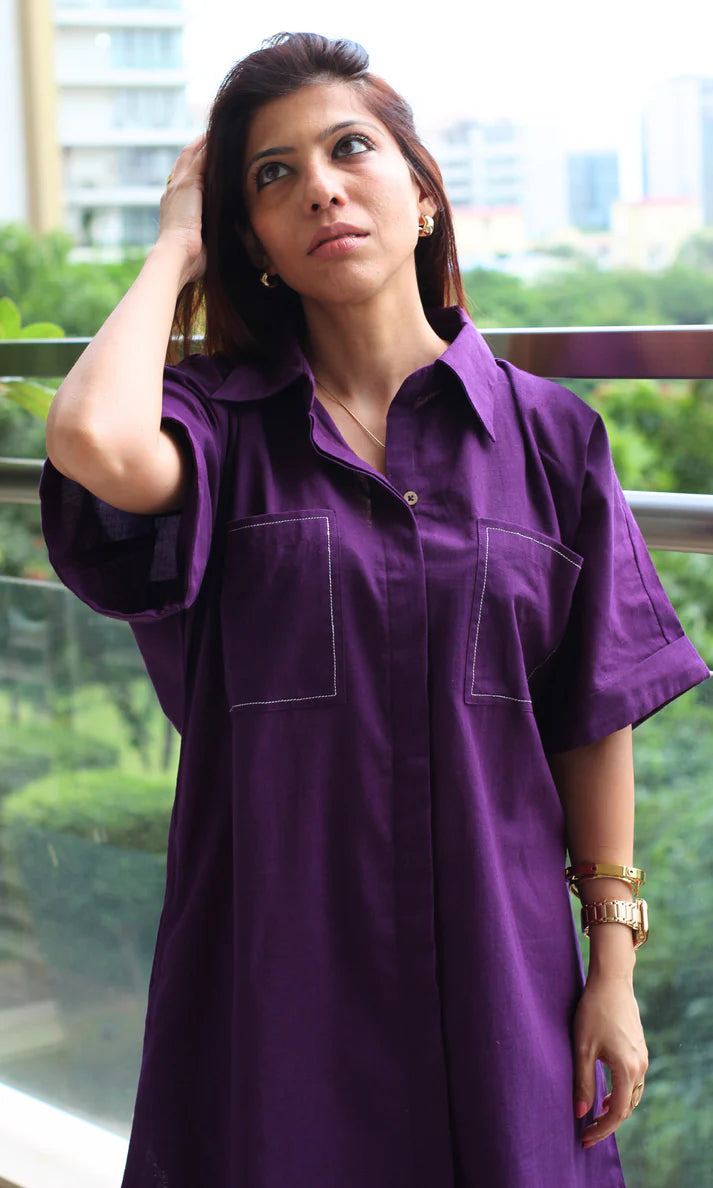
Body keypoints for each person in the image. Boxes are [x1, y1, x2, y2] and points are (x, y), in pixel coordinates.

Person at [40, 31, 709, 1188]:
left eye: (349, 148)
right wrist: (173, 244)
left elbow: (589, 711)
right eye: (273, 175)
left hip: (502, 970)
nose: (319, 187)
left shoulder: (550, 439)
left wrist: (611, 966)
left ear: (422, 192)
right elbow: (94, 439)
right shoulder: (214, 426)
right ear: (251, 240)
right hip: (273, 971)